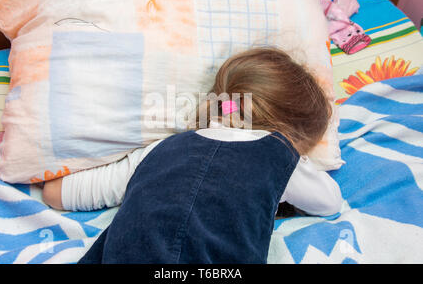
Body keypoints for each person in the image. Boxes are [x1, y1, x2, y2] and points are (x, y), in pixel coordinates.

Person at [42, 47, 342, 263]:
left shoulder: (161, 149)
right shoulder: (278, 155)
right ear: (289, 133)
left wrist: (53, 185)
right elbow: (329, 202)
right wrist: (294, 160)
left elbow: (62, 193)